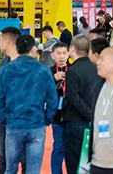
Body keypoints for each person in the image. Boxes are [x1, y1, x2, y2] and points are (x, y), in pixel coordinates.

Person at [0, 35, 57, 174]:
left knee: (10, 169)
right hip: (36, 123)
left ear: (17, 48)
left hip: (14, 124)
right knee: (33, 170)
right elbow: (52, 98)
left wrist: (5, 118)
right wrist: (47, 118)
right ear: (33, 49)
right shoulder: (43, 70)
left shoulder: (6, 70)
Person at [63, 36, 100, 174]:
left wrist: (88, 114)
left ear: (72, 48)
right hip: (95, 120)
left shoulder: (73, 70)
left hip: (75, 121)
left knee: (74, 163)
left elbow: (74, 98)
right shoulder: (96, 68)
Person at [0, 27, 24, 174]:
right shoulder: (4, 62)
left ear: (6, 41)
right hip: (5, 118)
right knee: (3, 158)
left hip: (22, 118)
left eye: (0, 40)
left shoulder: (25, 63)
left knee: (24, 159)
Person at [49, 42, 69, 174]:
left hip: (73, 114)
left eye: (64, 53)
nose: (61, 57)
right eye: (58, 53)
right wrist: (52, 79)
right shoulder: (48, 72)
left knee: (73, 149)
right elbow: (41, 89)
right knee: (58, 147)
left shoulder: (73, 69)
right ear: (52, 55)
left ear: (68, 54)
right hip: (56, 115)